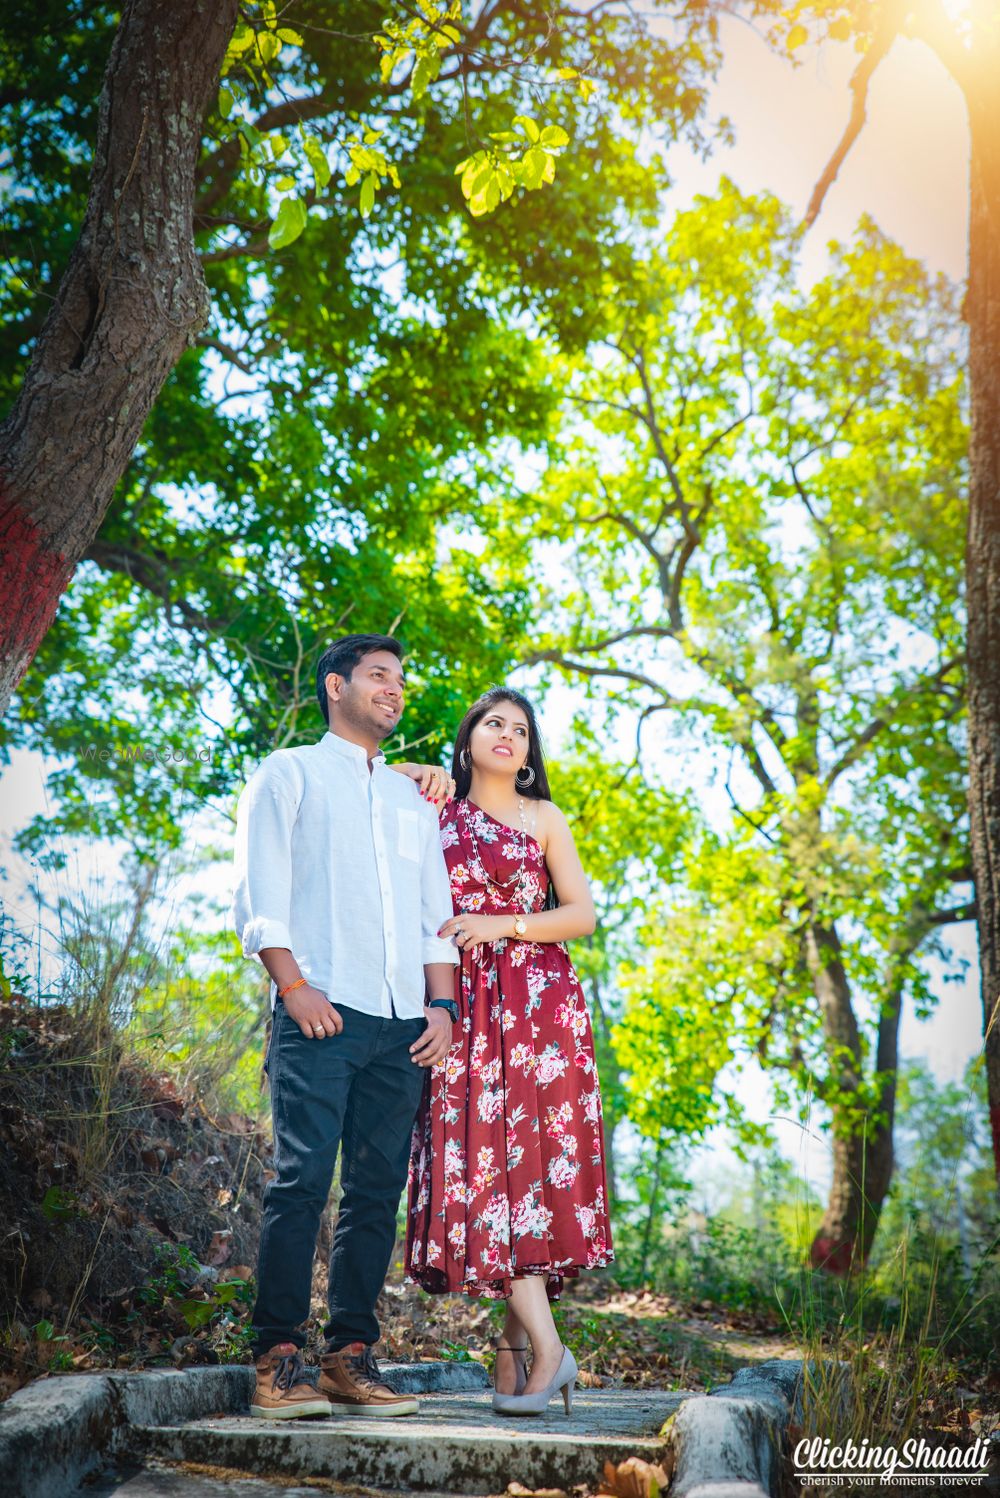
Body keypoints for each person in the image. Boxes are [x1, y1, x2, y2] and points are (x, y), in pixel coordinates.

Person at [232, 633, 459, 1420]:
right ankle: (277, 1359)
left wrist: (444, 1008)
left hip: (402, 1024)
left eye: (401, 678)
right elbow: (261, 891)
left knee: (375, 1192)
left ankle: (350, 1355)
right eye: (377, 677)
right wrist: (292, 987)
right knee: (300, 1182)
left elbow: (437, 914)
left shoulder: (411, 800)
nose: (394, 690)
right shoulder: (288, 773)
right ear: (337, 687)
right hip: (320, 1012)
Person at [403, 686, 614, 1416]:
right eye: (493, 723)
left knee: (528, 1171)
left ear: (528, 754)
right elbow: (362, 770)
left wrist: (504, 924)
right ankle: (517, 1350)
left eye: (520, 729)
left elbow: (581, 914)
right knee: (487, 1168)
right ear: (467, 742)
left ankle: (541, 1352)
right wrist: (420, 772)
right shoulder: (437, 807)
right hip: (461, 1005)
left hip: (540, 1008)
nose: (507, 734)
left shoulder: (543, 816)